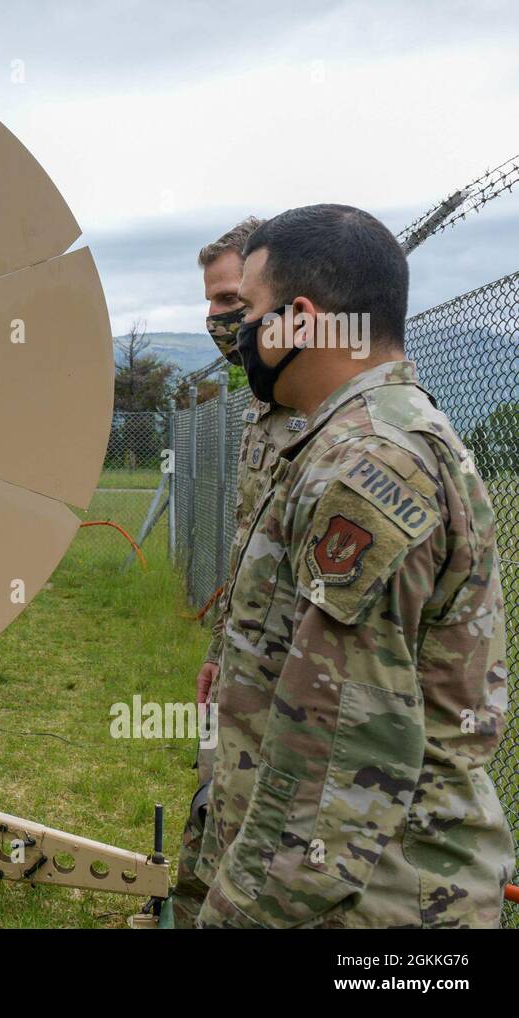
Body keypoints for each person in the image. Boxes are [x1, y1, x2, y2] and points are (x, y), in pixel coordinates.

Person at [195, 205, 512, 927]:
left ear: (300, 321)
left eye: (247, 309)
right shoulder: (353, 439)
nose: (238, 331)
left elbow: (336, 748)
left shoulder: (365, 463)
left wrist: (241, 913)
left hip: (369, 897)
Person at [169, 216, 306, 928]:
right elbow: (253, 557)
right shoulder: (261, 412)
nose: (218, 319)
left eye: (232, 302)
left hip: (291, 721)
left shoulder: (330, 430)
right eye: (213, 305)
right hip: (240, 690)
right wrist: (220, 652)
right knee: (211, 835)